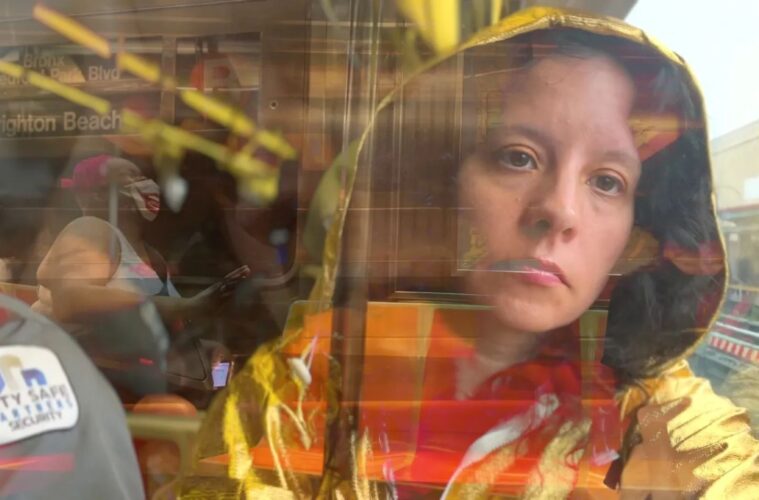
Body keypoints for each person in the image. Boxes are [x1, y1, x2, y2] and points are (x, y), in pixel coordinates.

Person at [176, 6, 759, 498]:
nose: (559, 210)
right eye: (518, 157)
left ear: (636, 239)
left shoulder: (662, 423)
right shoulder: (301, 390)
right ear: (441, 184)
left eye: (607, 182)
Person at [0, 158, 143, 498]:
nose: (136, 192)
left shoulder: (28, 360)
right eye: (124, 185)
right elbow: (68, 297)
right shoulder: (89, 232)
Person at [33, 154, 248, 327]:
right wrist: (188, 307)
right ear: (98, 195)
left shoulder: (149, 254)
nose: (147, 185)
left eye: (143, 178)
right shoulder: (90, 229)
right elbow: (71, 301)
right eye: (132, 177)